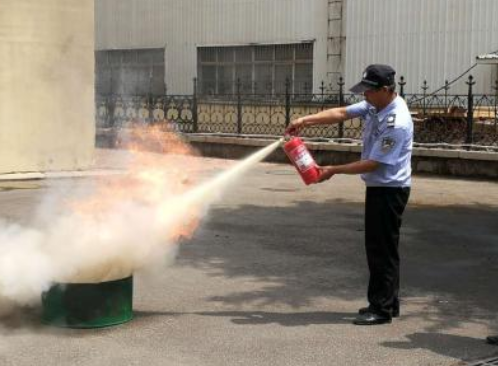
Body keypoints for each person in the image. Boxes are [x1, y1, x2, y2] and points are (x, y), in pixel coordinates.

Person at [286, 64, 413, 325]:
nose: (364, 96)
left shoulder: (396, 121)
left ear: (386, 90)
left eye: (369, 91)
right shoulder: (374, 105)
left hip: (390, 190)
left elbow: (373, 163)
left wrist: (333, 170)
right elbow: (341, 113)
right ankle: (388, 302)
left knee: (381, 250)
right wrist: (304, 120)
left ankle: (381, 310)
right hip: (380, 188)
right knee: (384, 248)